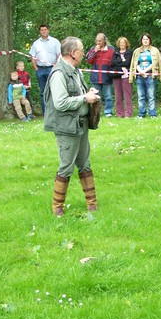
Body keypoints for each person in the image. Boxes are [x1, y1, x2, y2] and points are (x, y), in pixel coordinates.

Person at [43, 37, 100, 217]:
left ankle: (92, 205)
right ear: (73, 53)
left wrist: (88, 93)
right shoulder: (59, 73)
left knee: (85, 163)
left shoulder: (75, 71)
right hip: (66, 128)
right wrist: (84, 98)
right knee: (66, 166)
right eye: (82, 49)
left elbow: (77, 94)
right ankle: (57, 208)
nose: (84, 52)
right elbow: (60, 103)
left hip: (80, 124)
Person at [129, 33, 161, 118]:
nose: (145, 41)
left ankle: (152, 114)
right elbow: (134, 63)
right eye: (144, 39)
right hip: (139, 76)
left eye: (147, 39)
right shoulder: (137, 51)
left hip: (150, 76)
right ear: (141, 41)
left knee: (151, 96)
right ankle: (141, 114)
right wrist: (140, 71)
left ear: (150, 40)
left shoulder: (155, 50)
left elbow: (156, 63)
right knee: (141, 97)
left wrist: (145, 71)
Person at [30, 24, 61, 115]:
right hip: (40, 70)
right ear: (40, 31)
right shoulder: (36, 43)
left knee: (54, 90)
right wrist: (36, 69)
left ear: (48, 30)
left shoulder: (55, 42)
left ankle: (55, 110)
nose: (43, 31)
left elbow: (59, 55)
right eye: (42, 30)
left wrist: (56, 67)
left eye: (45, 29)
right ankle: (45, 112)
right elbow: (33, 57)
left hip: (52, 69)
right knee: (43, 91)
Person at [86, 33, 115, 117]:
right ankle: (96, 112)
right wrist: (95, 51)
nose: (98, 42)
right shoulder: (93, 49)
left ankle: (108, 112)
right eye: (97, 40)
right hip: (95, 76)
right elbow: (88, 61)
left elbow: (113, 62)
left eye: (100, 41)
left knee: (108, 95)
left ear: (104, 40)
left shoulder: (111, 50)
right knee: (96, 96)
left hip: (107, 76)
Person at [110, 37, 133, 118]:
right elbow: (112, 63)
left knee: (127, 95)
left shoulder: (129, 52)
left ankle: (128, 113)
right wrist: (121, 61)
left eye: (123, 43)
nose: (122, 44)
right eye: (120, 43)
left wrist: (118, 63)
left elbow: (127, 63)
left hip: (126, 75)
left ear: (126, 44)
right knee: (118, 95)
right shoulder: (115, 52)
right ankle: (119, 113)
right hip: (116, 76)